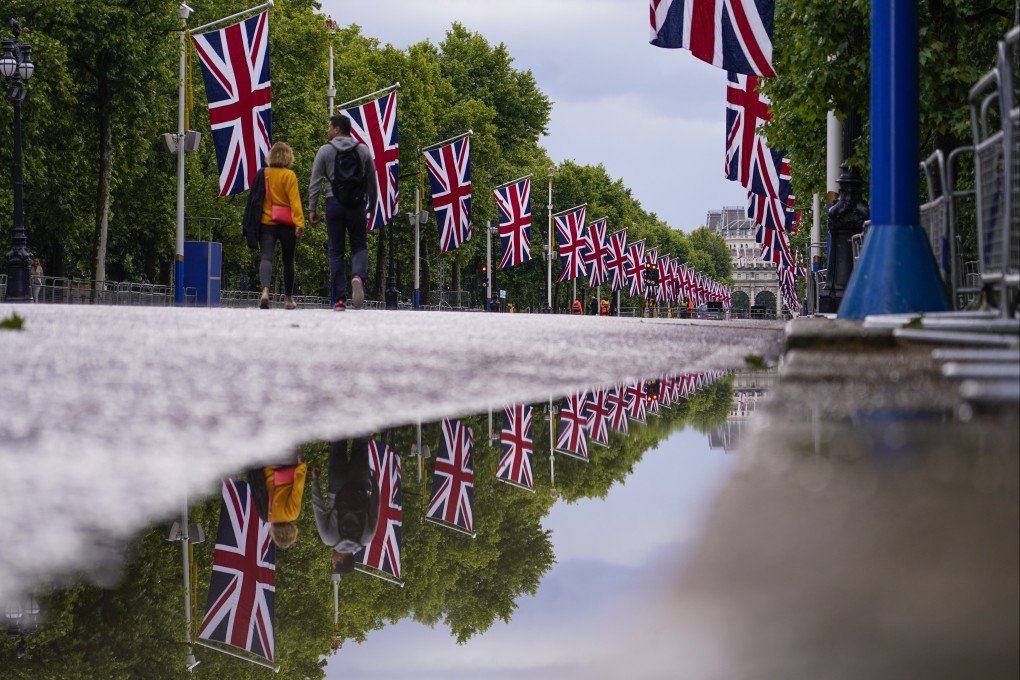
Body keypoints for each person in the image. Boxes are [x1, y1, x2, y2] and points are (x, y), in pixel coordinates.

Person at [308, 114, 378, 312]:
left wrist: (312, 208)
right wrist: (372, 206)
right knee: (359, 246)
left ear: (338, 129)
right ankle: (357, 276)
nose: (328, 130)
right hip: (357, 204)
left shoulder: (325, 151)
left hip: (333, 203)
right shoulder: (363, 150)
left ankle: (339, 299)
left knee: (336, 251)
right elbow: (372, 182)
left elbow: (315, 182)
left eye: (330, 127)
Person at [311, 438, 379, 575]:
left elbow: (375, 509)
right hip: (337, 486)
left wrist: (374, 484)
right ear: (340, 560)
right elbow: (318, 508)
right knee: (338, 442)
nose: (332, 560)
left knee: (361, 443)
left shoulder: (366, 538)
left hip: (360, 485)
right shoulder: (328, 539)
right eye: (334, 562)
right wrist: (314, 481)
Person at [259, 142, 305, 310]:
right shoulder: (289, 175)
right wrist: (299, 223)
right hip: (287, 224)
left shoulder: (264, 174)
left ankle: (265, 291)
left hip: (266, 223)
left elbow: (257, 199)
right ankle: (288, 298)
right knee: (288, 261)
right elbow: (295, 201)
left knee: (266, 257)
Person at [261, 455, 307, 549]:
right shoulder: (266, 515)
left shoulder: (292, 514)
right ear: (274, 534)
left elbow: (298, 488)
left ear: (292, 532)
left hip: (288, 464)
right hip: (268, 467)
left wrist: (301, 466)